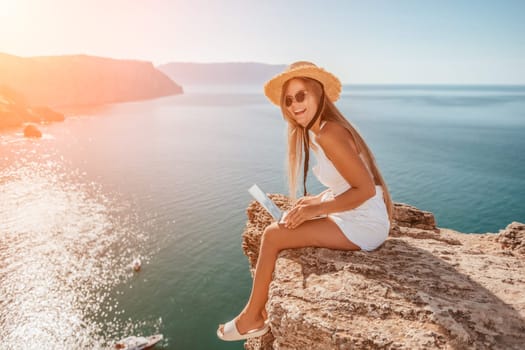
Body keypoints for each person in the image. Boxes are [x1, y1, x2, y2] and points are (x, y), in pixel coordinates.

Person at [217, 61, 394, 341]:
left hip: (364, 222)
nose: (294, 105)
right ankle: (253, 314)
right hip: (356, 213)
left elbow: (365, 190)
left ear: (318, 94)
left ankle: (252, 317)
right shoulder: (319, 131)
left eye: (301, 95)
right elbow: (346, 183)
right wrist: (313, 202)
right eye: (288, 100)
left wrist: (319, 208)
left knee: (273, 236)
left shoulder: (328, 134)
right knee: (290, 217)